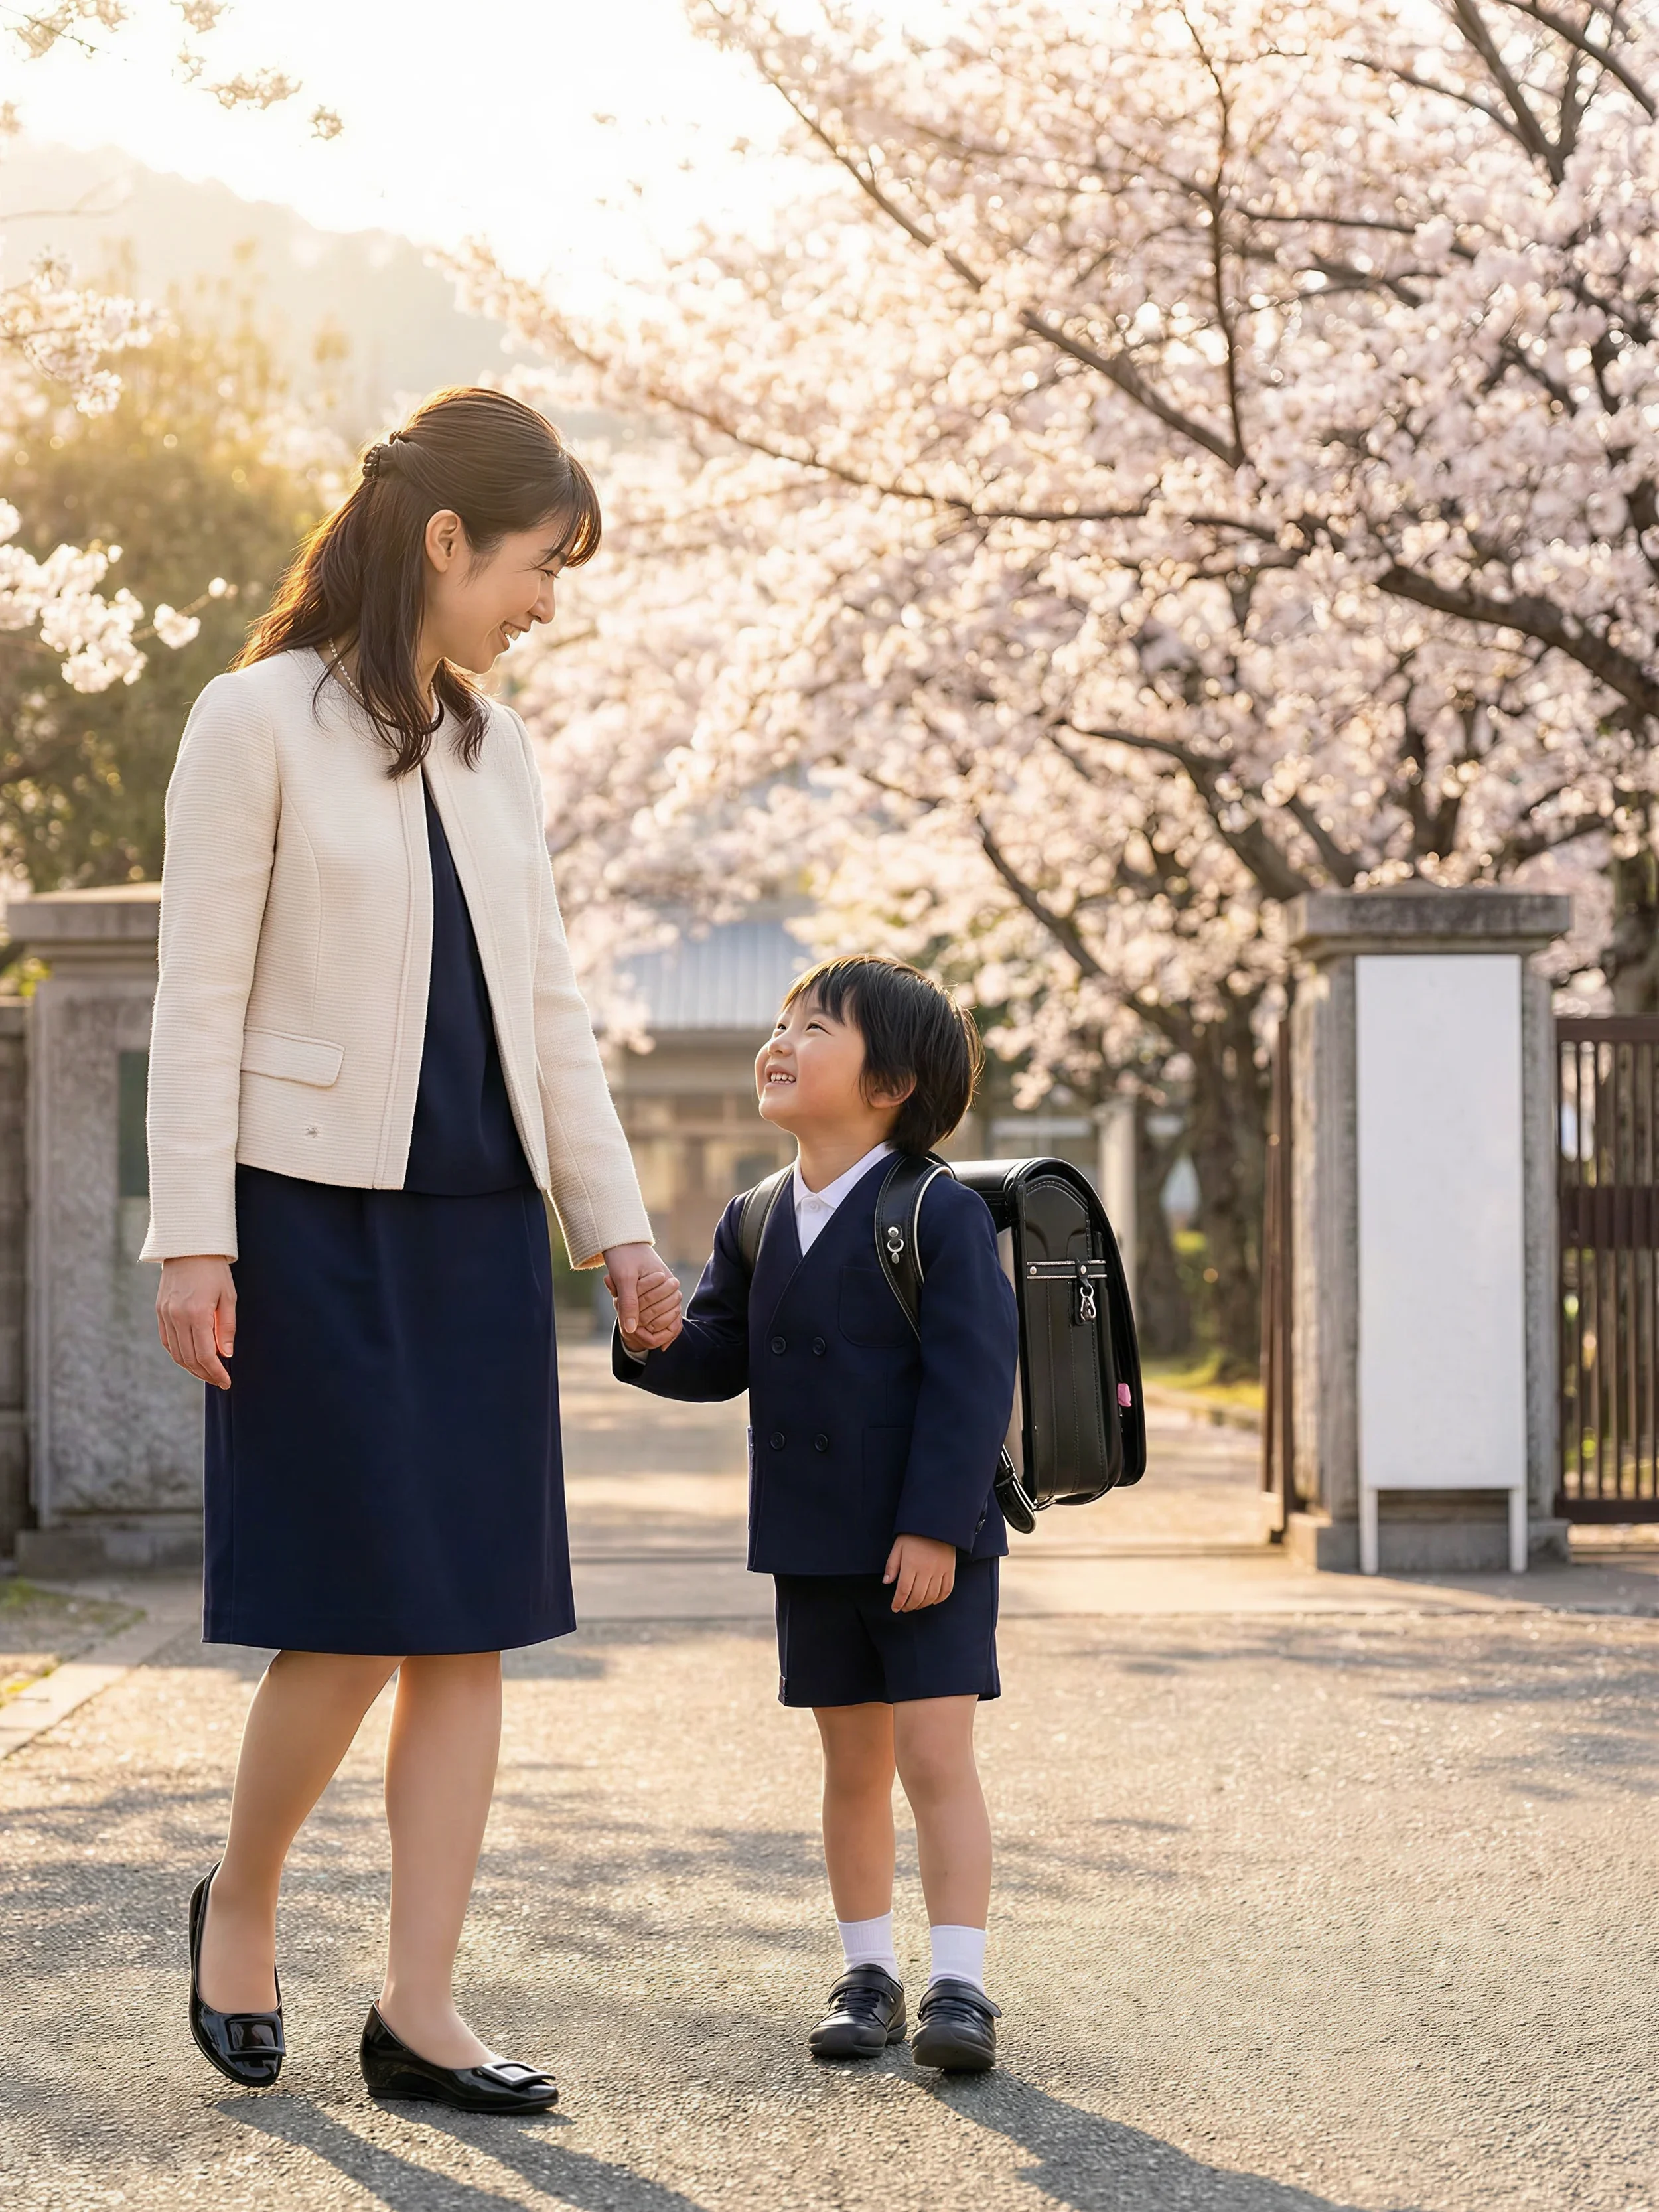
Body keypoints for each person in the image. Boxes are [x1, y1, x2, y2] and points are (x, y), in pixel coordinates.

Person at [145, 386, 682, 2112]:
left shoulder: (494, 745)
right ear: (445, 541)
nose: (547, 604)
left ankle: (420, 2007)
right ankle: (241, 1898)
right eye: (536, 566)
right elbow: (198, 996)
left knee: (470, 1625)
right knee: (355, 1617)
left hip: (471, 1232)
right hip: (303, 1218)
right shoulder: (254, 720)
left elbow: (547, 1008)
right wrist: (191, 1239)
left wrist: (621, 1231)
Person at [613, 955, 1017, 2073]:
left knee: (936, 1758)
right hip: (817, 1539)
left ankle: (963, 1987)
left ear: (890, 1083)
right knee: (850, 1768)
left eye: (816, 1027)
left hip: (927, 1540)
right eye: (780, 1023)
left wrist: (938, 1524)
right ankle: (869, 1971)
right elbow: (718, 1356)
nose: (779, 1043)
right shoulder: (755, 1216)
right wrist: (654, 1341)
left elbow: (973, 1382)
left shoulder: (936, 1209)